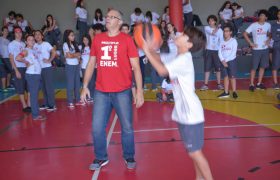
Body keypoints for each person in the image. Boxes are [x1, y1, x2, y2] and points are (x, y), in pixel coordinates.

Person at [142, 26, 213, 180]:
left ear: (189, 45)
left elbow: (161, 70)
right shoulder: (178, 55)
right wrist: (151, 48)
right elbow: (160, 59)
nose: (179, 34)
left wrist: (146, 50)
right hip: (183, 113)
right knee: (193, 152)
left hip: (191, 114)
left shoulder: (183, 59)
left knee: (195, 152)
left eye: (184, 35)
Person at [81, 9, 144, 170]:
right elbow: (90, 64)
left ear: (119, 21)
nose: (107, 19)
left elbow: (136, 67)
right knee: (96, 128)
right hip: (101, 91)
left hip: (122, 91)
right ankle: (101, 157)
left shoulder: (127, 40)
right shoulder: (98, 39)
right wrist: (84, 86)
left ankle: (129, 156)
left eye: (111, 17)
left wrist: (139, 91)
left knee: (127, 127)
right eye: (107, 17)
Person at [16, 34, 46, 120]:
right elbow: (18, 57)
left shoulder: (33, 50)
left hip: (36, 75)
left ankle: (35, 112)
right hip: (32, 75)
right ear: (26, 42)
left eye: (33, 40)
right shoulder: (26, 50)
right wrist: (25, 62)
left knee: (34, 94)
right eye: (29, 40)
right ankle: (35, 115)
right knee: (33, 95)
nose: (32, 41)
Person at [243, 10, 271, 91]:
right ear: (259, 16)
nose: (262, 17)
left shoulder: (268, 25)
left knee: (262, 67)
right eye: (260, 15)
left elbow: (270, 34)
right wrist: (251, 43)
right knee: (254, 68)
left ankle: (259, 83)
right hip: (256, 50)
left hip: (265, 49)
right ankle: (251, 84)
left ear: (266, 17)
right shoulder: (254, 25)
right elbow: (245, 33)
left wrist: (268, 39)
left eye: (263, 16)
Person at [8, 26, 31, 112]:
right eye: (17, 32)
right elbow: (11, 58)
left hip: (26, 68)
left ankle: (29, 104)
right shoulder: (11, 44)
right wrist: (16, 71)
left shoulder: (23, 44)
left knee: (28, 87)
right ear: (14, 34)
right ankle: (24, 106)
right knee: (20, 88)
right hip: (18, 68)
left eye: (20, 32)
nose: (19, 34)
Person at [34, 30, 57, 111]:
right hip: (39, 69)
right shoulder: (34, 46)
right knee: (43, 87)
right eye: (35, 35)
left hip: (47, 68)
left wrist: (49, 60)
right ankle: (46, 103)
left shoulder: (46, 44)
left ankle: (52, 105)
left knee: (49, 87)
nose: (37, 36)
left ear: (42, 36)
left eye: (39, 34)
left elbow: (54, 52)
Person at [200, 15, 224, 91]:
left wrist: (220, 50)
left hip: (217, 51)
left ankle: (219, 84)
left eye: (212, 20)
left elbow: (221, 40)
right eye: (209, 21)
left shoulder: (220, 31)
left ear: (215, 21)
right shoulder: (207, 28)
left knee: (218, 68)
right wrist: (218, 27)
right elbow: (213, 33)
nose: (211, 22)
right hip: (208, 50)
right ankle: (205, 84)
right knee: (207, 68)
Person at [63, 29, 84, 108]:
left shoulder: (75, 44)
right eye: (71, 35)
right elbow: (69, 56)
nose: (73, 36)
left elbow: (78, 55)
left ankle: (78, 100)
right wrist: (75, 54)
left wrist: (74, 55)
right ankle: (70, 101)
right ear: (67, 36)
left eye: (73, 35)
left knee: (77, 83)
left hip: (76, 65)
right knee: (70, 84)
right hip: (70, 66)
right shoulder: (65, 44)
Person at [218, 24, 238, 98]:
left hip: (231, 61)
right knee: (225, 77)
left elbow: (233, 53)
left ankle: (234, 91)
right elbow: (219, 52)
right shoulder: (221, 41)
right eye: (224, 31)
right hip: (223, 62)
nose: (225, 33)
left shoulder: (233, 41)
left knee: (232, 77)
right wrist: (223, 61)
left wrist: (225, 61)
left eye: (227, 31)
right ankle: (226, 92)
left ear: (230, 32)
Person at [79, 34, 94, 102]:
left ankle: (91, 96)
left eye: (86, 40)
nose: (85, 41)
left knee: (92, 82)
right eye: (84, 40)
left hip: (91, 67)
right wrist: (79, 60)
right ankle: (85, 96)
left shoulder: (92, 47)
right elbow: (77, 55)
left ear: (89, 40)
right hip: (83, 67)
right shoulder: (80, 47)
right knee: (85, 82)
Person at [0, 26, 13, 92]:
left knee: (9, 72)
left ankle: (8, 85)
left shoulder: (8, 41)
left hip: (8, 58)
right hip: (2, 58)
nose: (6, 32)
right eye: (5, 30)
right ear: (2, 32)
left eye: (7, 31)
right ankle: (3, 87)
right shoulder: (0, 39)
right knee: (4, 72)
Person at [271, 10, 280, 90]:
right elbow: (274, 37)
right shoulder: (274, 25)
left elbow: (277, 36)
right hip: (277, 48)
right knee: (275, 66)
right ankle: (275, 83)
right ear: (277, 15)